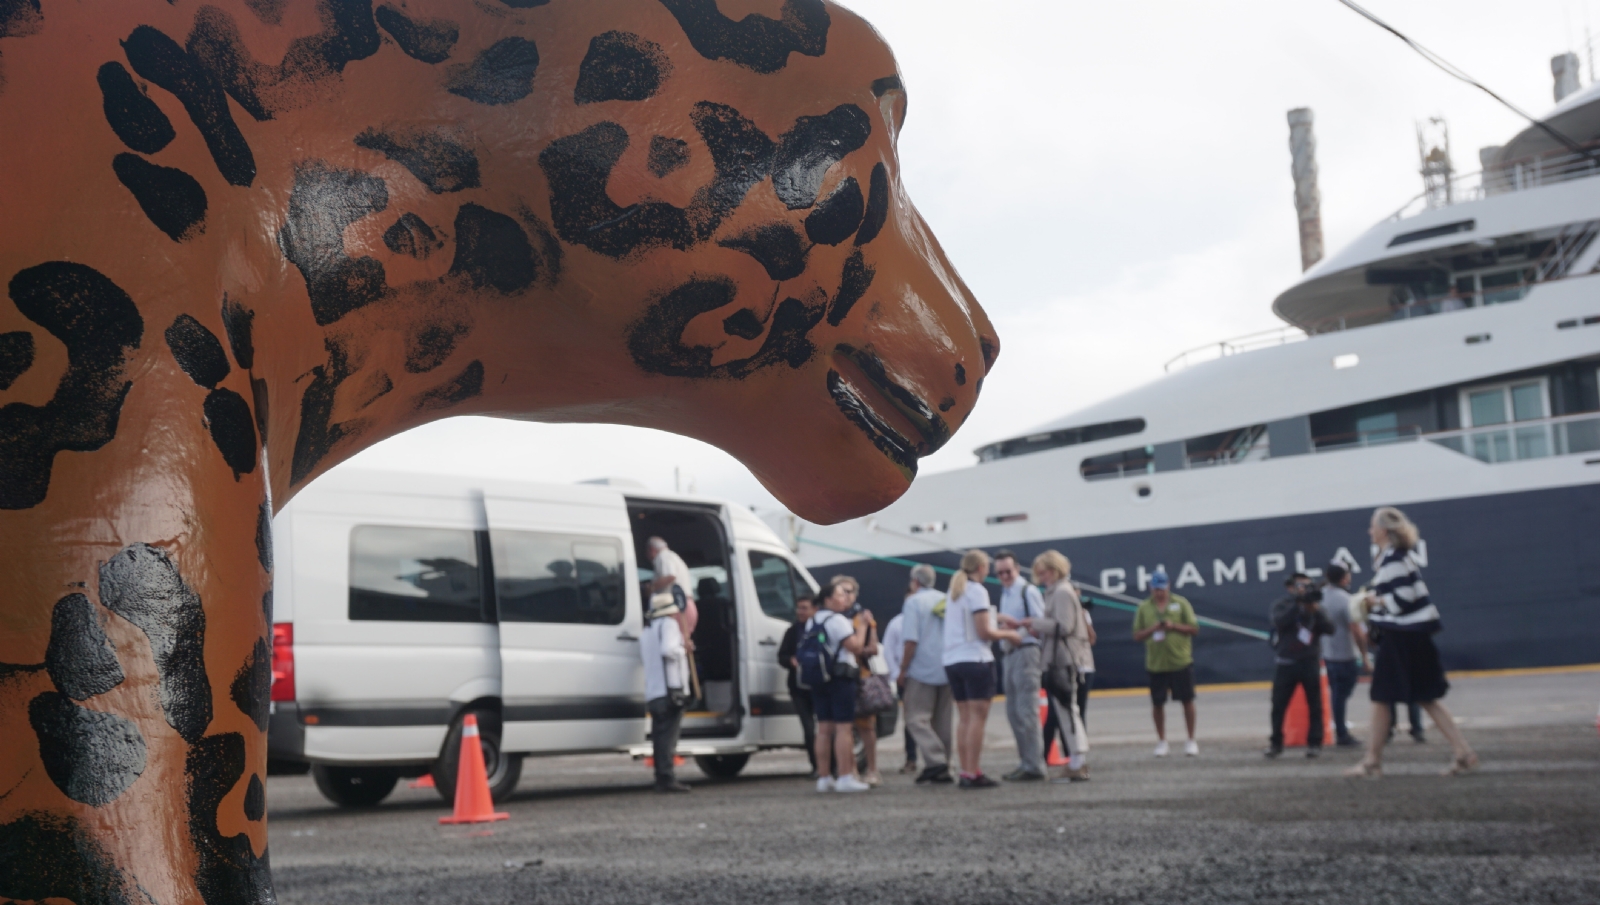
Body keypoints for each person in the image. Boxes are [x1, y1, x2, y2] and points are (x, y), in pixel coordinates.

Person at [1347, 507, 1479, 778]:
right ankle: (1462, 752)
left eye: (1373, 527)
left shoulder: (1393, 560)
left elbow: (1402, 597)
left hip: (1402, 638)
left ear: (1383, 530)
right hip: (1414, 637)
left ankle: (1373, 761)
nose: (1370, 531)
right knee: (1426, 697)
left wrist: (1374, 601)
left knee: (1382, 696)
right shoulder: (1397, 558)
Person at [943, 549, 1023, 788]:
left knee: (965, 718)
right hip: (975, 659)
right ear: (981, 568)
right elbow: (983, 632)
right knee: (977, 718)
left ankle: (965, 771)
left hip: (952, 660)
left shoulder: (954, 591)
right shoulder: (977, 591)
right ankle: (973, 771)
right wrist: (1011, 634)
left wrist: (996, 618)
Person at [1025, 550, 1091, 782]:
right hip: (1062, 658)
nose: (1041, 578)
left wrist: (1034, 623)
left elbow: (1064, 626)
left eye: (1042, 573)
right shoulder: (1061, 591)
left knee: (1068, 711)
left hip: (1062, 659)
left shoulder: (1061, 592)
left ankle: (1077, 762)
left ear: (1053, 571)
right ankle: (1076, 761)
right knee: (1067, 710)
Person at [809, 577, 873, 793]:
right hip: (840, 677)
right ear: (828, 599)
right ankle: (845, 776)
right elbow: (854, 646)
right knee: (844, 728)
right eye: (840, 594)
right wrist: (862, 627)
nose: (845, 598)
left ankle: (824, 777)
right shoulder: (838, 621)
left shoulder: (813, 620)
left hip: (819, 678)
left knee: (824, 729)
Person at [1132, 569, 1200, 757]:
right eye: (1156, 589)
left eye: (1162, 589)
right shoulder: (1144, 608)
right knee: (1157, 703)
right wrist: (1153, 628)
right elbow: (1137, 635)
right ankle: (1162, 741)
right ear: (1150, 588)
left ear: (1168, 586)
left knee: (1187, 701)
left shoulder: (1181, 603)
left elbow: (1194, 628)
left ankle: (1191, 739)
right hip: (1156, 664)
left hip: (1180, 661)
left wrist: (1173, 626)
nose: (1159, 593)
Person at [992, 550, 1048, 782]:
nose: (1005, 576)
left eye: (1008, 571)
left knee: (1026, 712)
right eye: (1000, 573)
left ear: (1017, 569)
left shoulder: (1028, 591)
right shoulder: (1006, 593)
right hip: (1009, 654)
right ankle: (1026, 761)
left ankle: (1035, 765)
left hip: (1026, 652)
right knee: (1013, 713)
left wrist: (1016, 632)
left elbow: (1040, 623)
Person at [899, 563, 954, 785]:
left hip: (922, 668)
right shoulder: (946, 599)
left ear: (915, 582)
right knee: (943, 720)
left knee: (915, 718)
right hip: (948, 664)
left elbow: (911, 639)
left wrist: (903, 669)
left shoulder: (913, 602)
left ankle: (935, 758)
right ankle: (943, 767)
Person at [1265, 585, 1335, 758]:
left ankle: (1314, 743)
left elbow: (1330, 629)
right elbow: (1279, 622)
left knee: (1315, 704)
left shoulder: (1317, 610)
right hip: (1286, 662)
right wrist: (1297, 606)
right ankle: (1276, 742)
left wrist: (1314, 610)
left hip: (1309, 662)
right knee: (1278, 705)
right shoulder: (1282, 605)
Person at [640, 591, 691, 792]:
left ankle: (662, 776)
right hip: (670, 690)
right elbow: (669, 650)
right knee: (668, 738)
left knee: (659, 737)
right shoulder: (668, 625)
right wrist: (683, 647)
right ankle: (667, 777)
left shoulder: (647, 631)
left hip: (654, 690)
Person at [1320, 565, 1370, 748]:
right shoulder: (1345, 600)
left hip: (1328, 653)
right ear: (1343, 579)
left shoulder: (1321, 596)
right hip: (1345, 653)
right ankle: (1341, 732)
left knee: (1337, 694)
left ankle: (1339, 729)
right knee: (1342, 693)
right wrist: (1365, 655)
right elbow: (1356, 629)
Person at [776, 593, 819, 775]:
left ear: (814, 609)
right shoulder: (792, 631)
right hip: (798, 687)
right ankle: (816, 766)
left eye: (804, 608)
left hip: (819, 685)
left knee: (826, 728)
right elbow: (781, 656)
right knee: (809, 730)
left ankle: (832, 765)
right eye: (798, 608)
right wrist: (791, 660)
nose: (800, 612)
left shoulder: (819, 630)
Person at [880, 609, 917, 774]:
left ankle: (940, 760)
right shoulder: (897, 623)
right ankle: (911, 758)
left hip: (931, 675)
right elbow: (888, 651)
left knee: (934, 719)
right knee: (911, 720)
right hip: (908, 677)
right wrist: (897, 675)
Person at [647, 536, 699, 639]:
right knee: (681, 644)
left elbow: (670, 576)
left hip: (677, 607)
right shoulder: (674, 557)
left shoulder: (662, 556)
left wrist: (651, 588)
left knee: (672, 645)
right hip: (687, 605)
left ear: (652, 550)